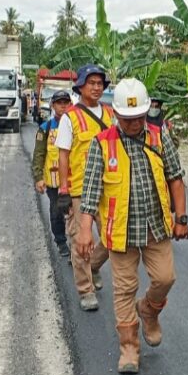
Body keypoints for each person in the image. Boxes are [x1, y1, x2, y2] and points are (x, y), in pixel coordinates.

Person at [77, 79, 188, 374]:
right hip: (120, 231)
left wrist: (181, 218)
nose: (134, 123)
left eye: (139, 117)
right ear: (116, 115)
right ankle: (129, 348)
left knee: (166, 278)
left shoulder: (158, 135)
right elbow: (89, 193)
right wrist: (85, 230)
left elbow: (176, 177)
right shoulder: (101, 143)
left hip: (156, 226)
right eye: (128, 119)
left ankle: (149, 310)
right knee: (125, 290)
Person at [56, 65, 115, 311]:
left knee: (114, 238)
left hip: (111, 187)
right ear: (80, 86)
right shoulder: (70, 117)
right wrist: (63, 190)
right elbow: (63, 156)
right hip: (81, 189)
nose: (96, 87)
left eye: (100, 83)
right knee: (81, 241)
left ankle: (94, 266)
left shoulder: (111, 114)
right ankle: (85, 289)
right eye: (91, 82)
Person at [32, 89, 72, 257]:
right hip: (53, 180)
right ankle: (61, 242)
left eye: (65, 102)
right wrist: (38, 177)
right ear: (53, 105)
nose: (62, 106)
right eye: (59, 103)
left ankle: (76, 248)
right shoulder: (45, 128)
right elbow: (39, 154)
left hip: (73, 179)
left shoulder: (74, 125)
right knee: (57, 211)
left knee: (74, 214)